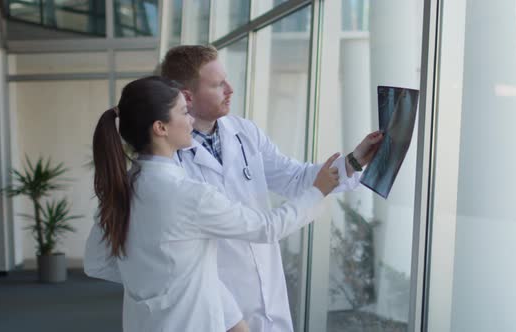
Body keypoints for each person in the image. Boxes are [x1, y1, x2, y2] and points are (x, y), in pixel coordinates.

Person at [85, 76, 343, 332]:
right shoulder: (188, 194)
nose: (191, 120)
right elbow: (267, 228)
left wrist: (158, 286)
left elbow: (97, 262)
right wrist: (317, 192)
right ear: (160, 128)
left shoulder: (123, 189)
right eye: (184, 112)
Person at [159, 45, 384, 332]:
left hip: (268, 293)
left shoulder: (244, 132)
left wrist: (353, 160)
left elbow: (294, 177)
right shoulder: (168, 159)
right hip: (215, 309)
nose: (230, 89)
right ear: (187, 96)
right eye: (217, 85)